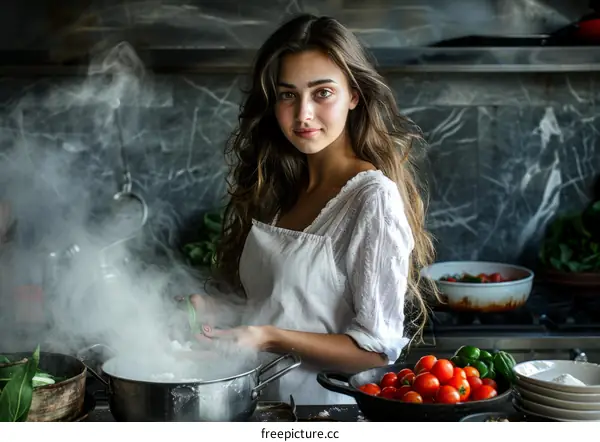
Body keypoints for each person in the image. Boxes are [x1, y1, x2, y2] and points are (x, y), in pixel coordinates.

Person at [183, 13, 440, 405]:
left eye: (322, 93)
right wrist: (217, 311)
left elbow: (374, 350)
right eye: (288, 94)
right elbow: (284, 303)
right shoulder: (281, 186)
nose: (303, 114)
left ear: (353, 95)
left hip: (324, 413)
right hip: (261, 406)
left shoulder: (371, 199)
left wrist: (267, 337)